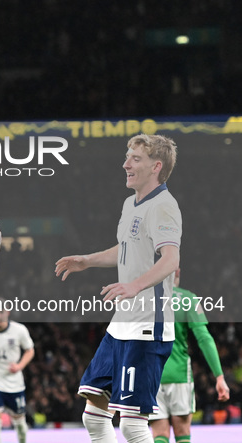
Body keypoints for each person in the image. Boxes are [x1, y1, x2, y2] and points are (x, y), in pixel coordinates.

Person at [55, 134, 182, 443]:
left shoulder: (164, 206)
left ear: (156, 166)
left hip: (146, 328)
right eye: (127, 157)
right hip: (121, 326)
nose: (125, 164)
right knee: (94, 417)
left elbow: (170, 258)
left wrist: (135, 286)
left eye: (135, 159)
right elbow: (126, 249)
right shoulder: (131, 204)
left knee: (132, 425)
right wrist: (87, 260)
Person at [149, 268, 230, 443]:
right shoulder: (187, 298)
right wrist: (219, 376)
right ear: (177, 271)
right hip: (179, 374)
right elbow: (204, 338)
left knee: (159, 435)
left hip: (150, 376)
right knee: (182, 432)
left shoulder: (143, 300)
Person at [0, 299, 35, 443]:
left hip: (14, 383)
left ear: (7, 312)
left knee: (19, 420)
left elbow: (30, 350)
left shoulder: (19, 330)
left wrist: (19, 366)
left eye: (1, 312)